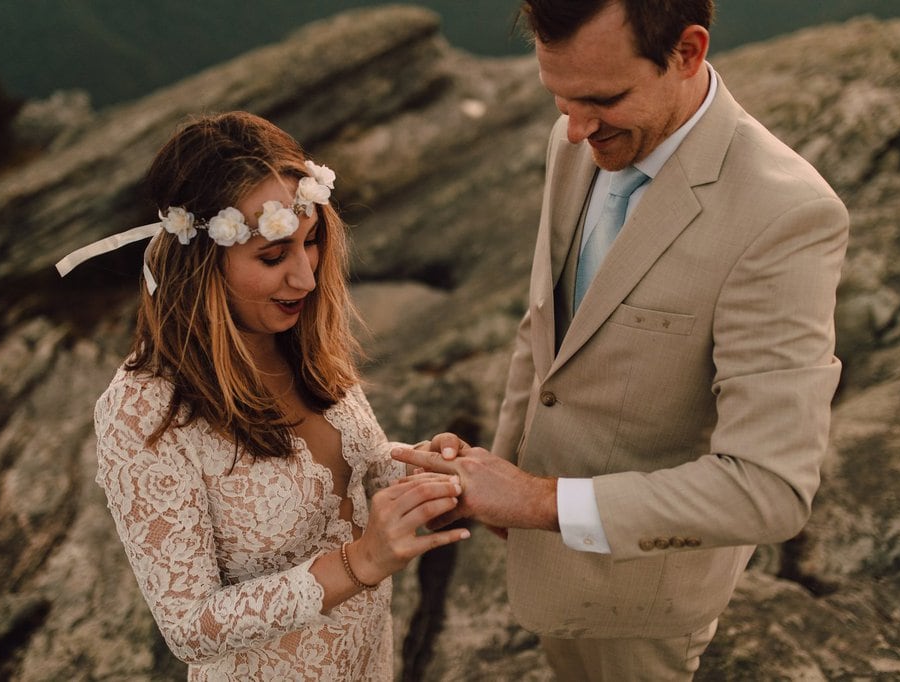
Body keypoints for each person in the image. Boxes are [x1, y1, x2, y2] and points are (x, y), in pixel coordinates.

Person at [393, 1, 849, 679]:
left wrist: (539, 501)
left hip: (644, 603)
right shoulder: (575, 140)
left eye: (603, 98)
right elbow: (546, 326)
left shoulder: (785, 215)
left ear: (688, 52)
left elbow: (770, 488)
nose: (574, 129)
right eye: (560, 97)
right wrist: (500, 473)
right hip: (547, 566)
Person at [56, 111, 469, 680]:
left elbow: (350, 485)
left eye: (311, 243)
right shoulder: (143, 410)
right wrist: (361, 562)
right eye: (273, 257)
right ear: (200, 264)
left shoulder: (302, 343)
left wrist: (425, 472)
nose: (305, 277)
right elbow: (190, 628)